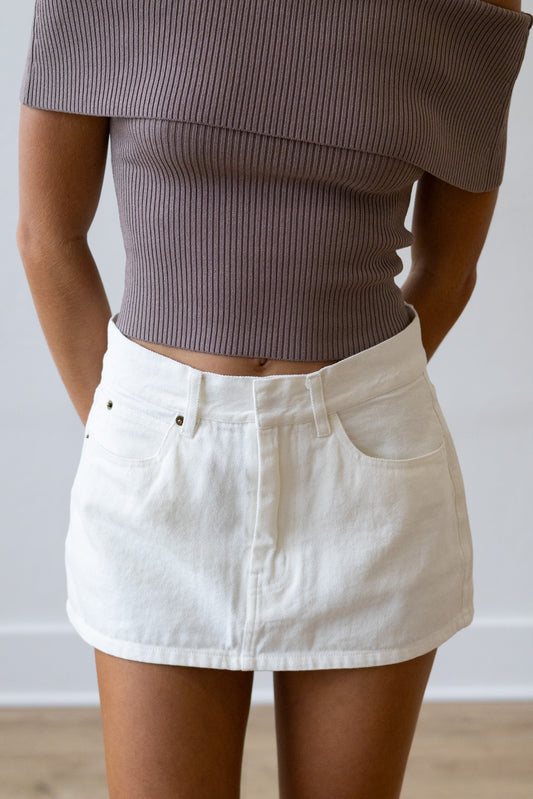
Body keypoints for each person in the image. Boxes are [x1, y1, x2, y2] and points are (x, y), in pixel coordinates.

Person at [16, 0, 531, 797]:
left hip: (366, 482)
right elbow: (48, 234)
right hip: (157, 468)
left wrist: (342, 410)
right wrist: (141, 431)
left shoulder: (470, 6)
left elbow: (446, 269)